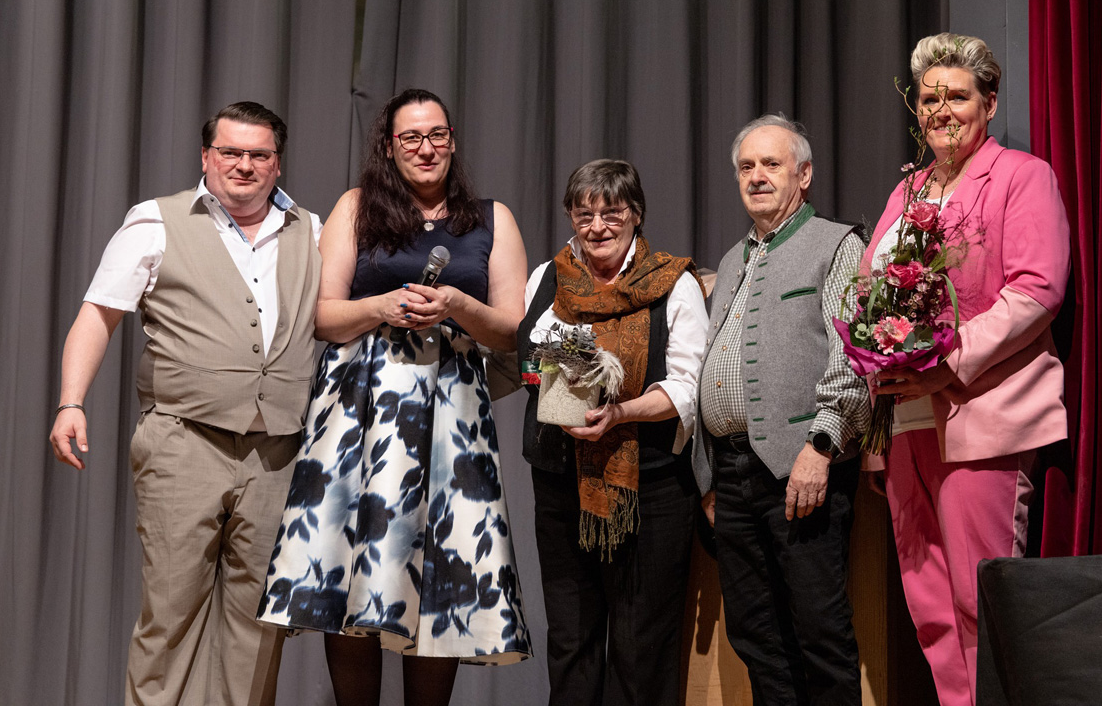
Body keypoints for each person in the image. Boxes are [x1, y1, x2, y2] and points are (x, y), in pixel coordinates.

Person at [256, 89, 532, 706]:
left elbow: (514, 330)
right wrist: (381, 306)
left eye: (436, 135)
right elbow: (320, 316)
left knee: (441, 565)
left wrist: (457, 305)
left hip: (452, 416)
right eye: (411, 137)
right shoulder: (357, 207)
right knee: (350, 568)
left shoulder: (493, 218)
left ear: (452, 140)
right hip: (358, 411)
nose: (425, 148)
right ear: (389, 146)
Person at [48, 102, 321, 705]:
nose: (244, 165)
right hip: (183, 441)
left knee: (260, 625)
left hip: (278, 451)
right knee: (170, 615)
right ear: (206, 156)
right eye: (231, 152)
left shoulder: (312, 229)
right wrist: (71, 402)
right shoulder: (156, 221)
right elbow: (98, 315)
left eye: (259, 154)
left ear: (277, 163)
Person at [863, 33, 1070, 706]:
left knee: (980, 597)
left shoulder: (1021, 176)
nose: (941, 110)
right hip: (904, 421)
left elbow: (1036, 289)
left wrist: (943, 362)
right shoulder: (907, 190)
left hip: (981, 413)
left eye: (957, 95)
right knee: (928, 605)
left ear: (989, 103)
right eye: (929, 99)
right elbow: (871, 298)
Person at [692, 115, 870, 705]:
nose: (757, 176)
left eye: (772, 164)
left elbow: (852, 357)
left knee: (820, 634)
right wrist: (710, 479)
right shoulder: (732, 259)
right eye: (747, 167)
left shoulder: (838, 244)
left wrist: (820, 448)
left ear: (804, 174)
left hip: (803, 469)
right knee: (757, 637)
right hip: (733, 476)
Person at [516, 159, 707, 706]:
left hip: (650, 488)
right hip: (561, 483)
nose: (597, 226)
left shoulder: (674, 284)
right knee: (571, 643)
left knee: (640, 648)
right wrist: (547, 380)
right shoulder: (547, 278)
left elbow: (687, 386)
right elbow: (526, 362)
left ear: (636, 214)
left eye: (612, 213)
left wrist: (620, 414)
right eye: (585, 215)